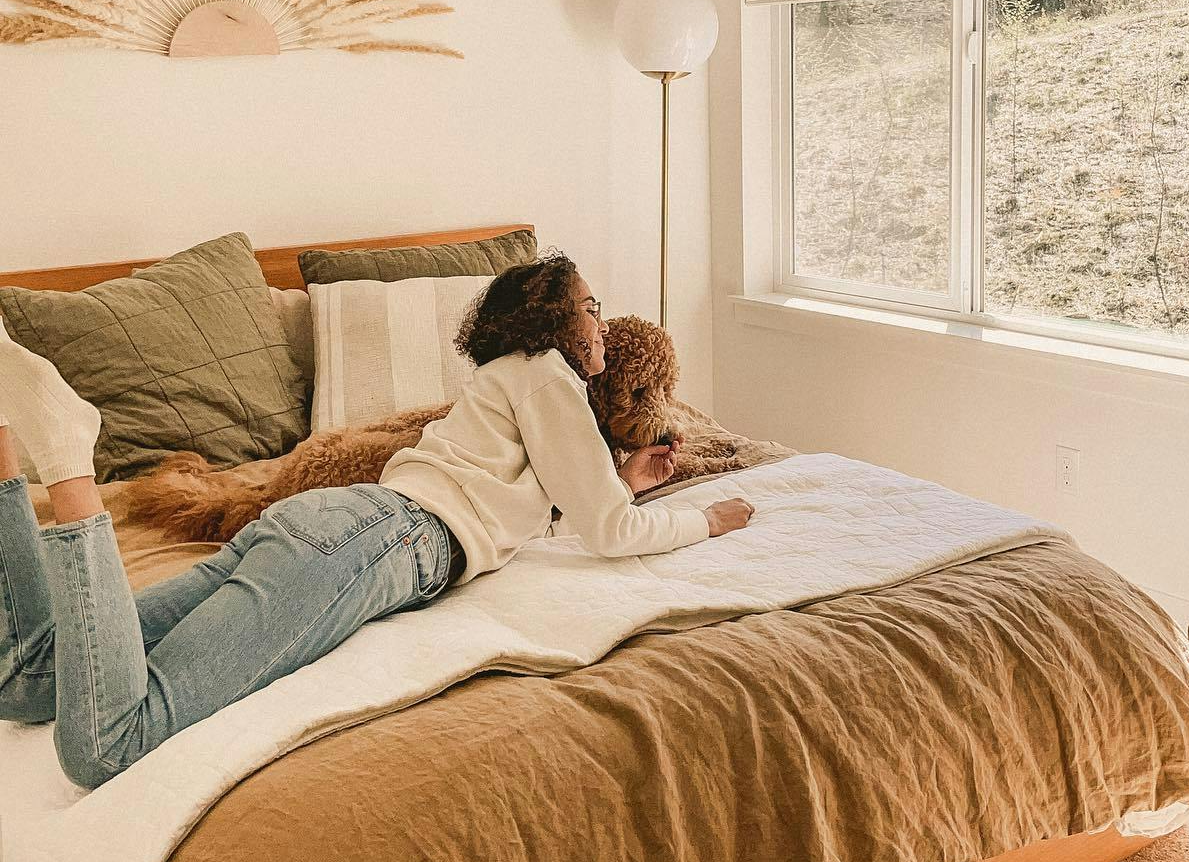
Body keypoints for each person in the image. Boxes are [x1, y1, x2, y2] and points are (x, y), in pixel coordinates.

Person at [0, 252, 753, 789]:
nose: (601, 320)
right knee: (108, 744)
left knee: (33, 678)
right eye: (589, 306)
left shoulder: (503, 380)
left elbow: (530, 507)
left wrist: (618, 477)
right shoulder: (550, 376)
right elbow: (613, 534)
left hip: (325, 522)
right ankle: (70, 465)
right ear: (553, 319)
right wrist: (707, 521)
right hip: (369, 546)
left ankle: (5, 442)